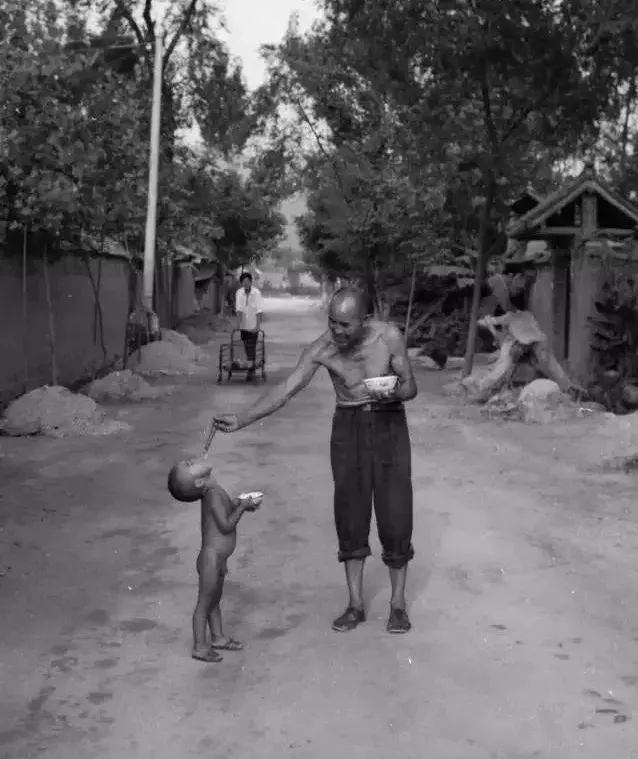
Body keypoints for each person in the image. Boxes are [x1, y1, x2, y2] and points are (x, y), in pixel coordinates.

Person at [213, 287, 418, 634]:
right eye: (332, 322)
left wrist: (395, 390)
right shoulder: (322, 349)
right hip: (348, 427)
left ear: (364, 321)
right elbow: (287, 388)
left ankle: (397, 605)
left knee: (396, 512)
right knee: (350, 513)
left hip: (389, 424)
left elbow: (411, 386)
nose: (337, 331)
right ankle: (355, 604)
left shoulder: (389, 337)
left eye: (345, 325)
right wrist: (244, 418)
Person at [167, 457, 261, 663]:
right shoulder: (213, 495)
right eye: (189, 465)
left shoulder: (214, 492)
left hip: (216, 559)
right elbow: (226, 525)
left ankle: (218, 638)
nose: (191, 460)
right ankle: (199, 646)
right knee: (204, 604)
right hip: (211, 559)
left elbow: (227, 509)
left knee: (214, 601)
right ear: (199, 482)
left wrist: (239, 503)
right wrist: (243, 507)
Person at [235, 272, 264, 381]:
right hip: (243, 325)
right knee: (247, 346)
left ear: (251, 282)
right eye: (244, 282)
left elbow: (259, 309)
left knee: (251, 346)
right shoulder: (239, 293)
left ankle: (251, 370)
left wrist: (257, 326)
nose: (246, 283)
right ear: (241, 283)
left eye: (248, 281)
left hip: (253, 324)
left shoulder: (256, 293)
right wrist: (238, 324)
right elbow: (239, 309)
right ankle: (250, 368)